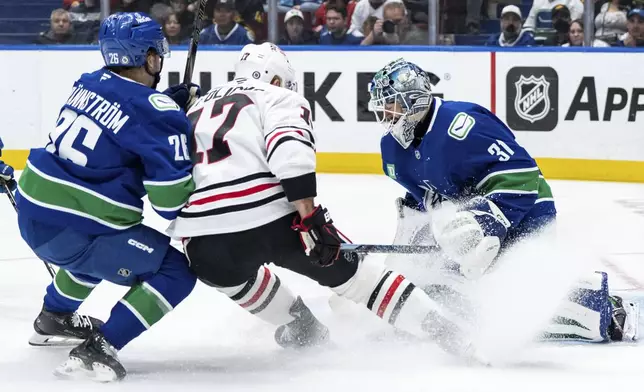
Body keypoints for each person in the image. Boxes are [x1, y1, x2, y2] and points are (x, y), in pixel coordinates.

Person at [168, 43, 478, 360]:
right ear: (277, 80)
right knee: (360, 278)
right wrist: (310, 218)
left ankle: (301, 325)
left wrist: (169, 108)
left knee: (233, 277)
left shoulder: (191, 109)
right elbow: (289, 150)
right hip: (269, 218)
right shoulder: (278, 96)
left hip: (200, 238)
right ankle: (446, 330)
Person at [369, 58, 638, 343]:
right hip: (466, 229)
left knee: (511, 300)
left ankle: (603, 307)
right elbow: (421, 200)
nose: (385, 113)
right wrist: (404, 254)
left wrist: (482, 223)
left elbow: (522, 174)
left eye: (391, 104)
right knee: (448, 293)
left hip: (526, 210)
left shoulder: (462, 123)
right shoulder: (392, 149)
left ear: (415, 101)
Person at [15, 12, 200, 382]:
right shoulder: (156, 113)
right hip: (78, 229)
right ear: (149, 58)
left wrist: (161, 105)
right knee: (176, 271)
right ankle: (100, 346)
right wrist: (177, 138)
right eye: (157, 55)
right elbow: (168, 204)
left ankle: (54, 315)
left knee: (94, 249)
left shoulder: (87, 81)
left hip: (34, 212)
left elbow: (121, 116)